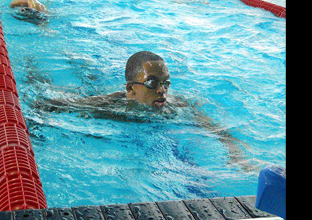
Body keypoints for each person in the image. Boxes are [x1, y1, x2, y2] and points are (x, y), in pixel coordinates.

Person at [34, 51, 252, 169]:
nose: (161, 91)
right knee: (85, 83)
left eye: (166, 83)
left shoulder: (179, 106)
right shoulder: (110, 107)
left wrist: (236, 155)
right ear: (130, 89)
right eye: (152, 83)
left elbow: (218, 130)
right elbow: (53, 104)